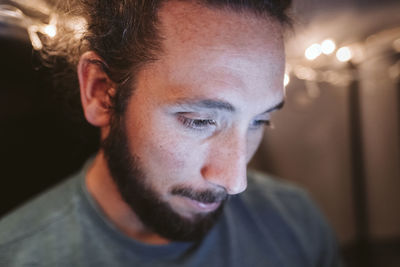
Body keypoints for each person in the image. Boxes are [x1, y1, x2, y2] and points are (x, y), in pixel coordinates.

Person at [0, 0, 342, 266]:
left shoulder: (296, 224)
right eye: (199, 120)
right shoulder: (17, 256)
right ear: (101, 91)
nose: (235, 181)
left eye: (259, 122)